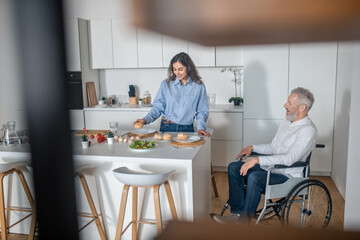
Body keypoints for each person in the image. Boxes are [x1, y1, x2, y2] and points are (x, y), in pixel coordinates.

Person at [213, 87, 317, 223]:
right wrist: (252, 148)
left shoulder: (308, 130)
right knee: (234, 167)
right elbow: (273, 146)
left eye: (289, 103)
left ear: (302, 107)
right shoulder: (287, 122)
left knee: (255, 177)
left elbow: (289, 158)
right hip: (271, 169)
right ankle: (237, 214)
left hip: (287, 177)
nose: (285, 105)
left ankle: (243, 223)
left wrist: (257, 160)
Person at [133, 52, 211, 136]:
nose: (177, 73)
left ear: (188, 68)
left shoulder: (198, 86)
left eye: (180, 69)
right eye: (174, 69)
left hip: (187, 128)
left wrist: (201, 128)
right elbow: (158, 108)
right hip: (167, 126)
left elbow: (202, 111)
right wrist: (145, 119)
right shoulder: (166, 84)